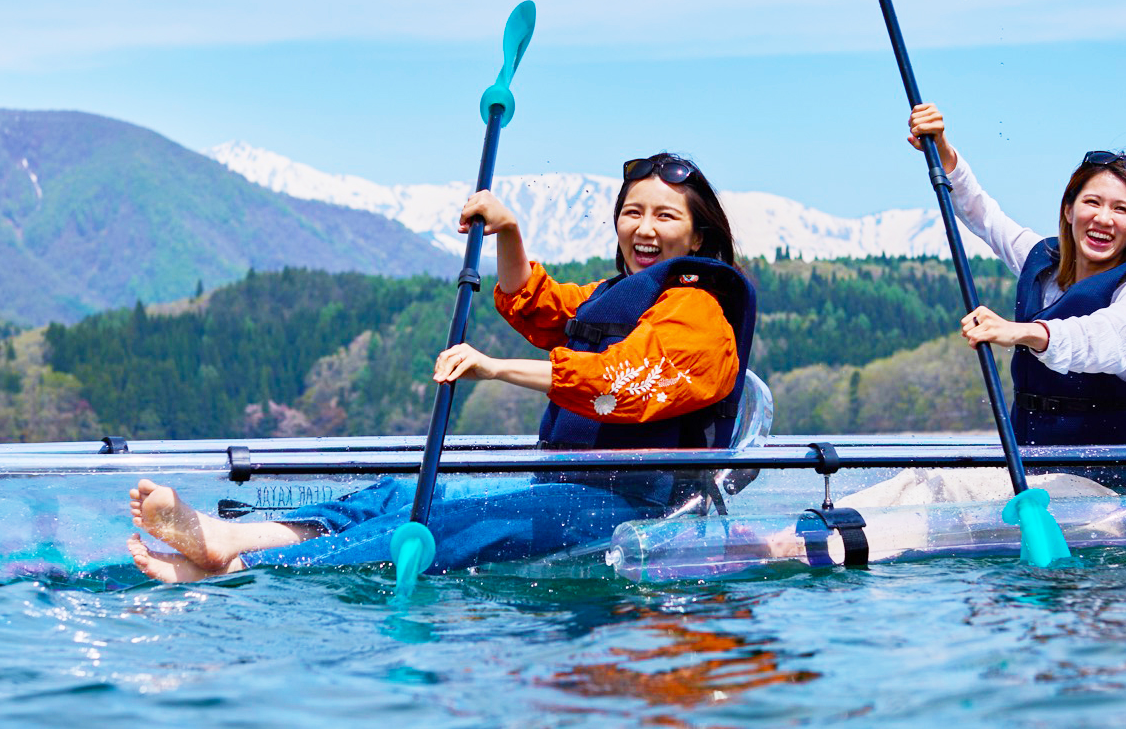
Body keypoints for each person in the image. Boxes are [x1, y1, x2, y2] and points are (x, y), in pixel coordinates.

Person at [126, 152, 756, 582]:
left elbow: (620, 383)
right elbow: (538, 306)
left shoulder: (700, 315)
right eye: (633, 213)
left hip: (634, 506)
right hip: (570, 487)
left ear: (698, 237)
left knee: (440, 522)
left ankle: (243, 570)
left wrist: (494, 369)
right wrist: (508, 231)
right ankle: (235, 542)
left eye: (665, 216)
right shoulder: (622, 294)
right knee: (400, 493)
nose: (644, 229)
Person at [845, 103, 1126, 510]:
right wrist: (944, 154)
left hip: (1111, 484)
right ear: (1069, 209)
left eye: (1121, 209)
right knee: (925, 481)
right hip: (1033, 468)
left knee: (951, 491)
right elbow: (983, 215)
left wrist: (1021, 332)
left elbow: (1107, 338)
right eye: (1092, 202)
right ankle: (806, 534)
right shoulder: (1042, 263)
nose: (1103, 218)